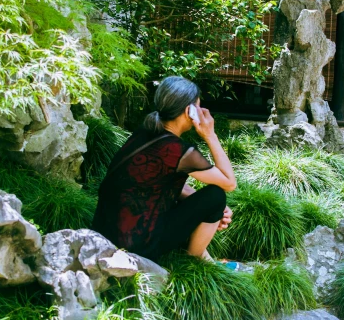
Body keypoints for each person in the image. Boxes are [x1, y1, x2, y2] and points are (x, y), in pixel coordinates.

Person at [92, 76, 236, 261]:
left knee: (209, 202)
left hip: (106, 235)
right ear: (188, 111)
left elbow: (161, 182)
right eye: (198, 107)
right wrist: (210, 134)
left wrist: (206, 208)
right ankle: (195, 259)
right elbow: (229, 182)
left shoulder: (144, 133)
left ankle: (206, 256)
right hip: (137, 246)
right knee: (216, 196)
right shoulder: (179, 151)